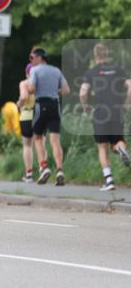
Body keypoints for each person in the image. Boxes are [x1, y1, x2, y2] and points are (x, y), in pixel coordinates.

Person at [79, 42, 131, 191]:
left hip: (100, 112)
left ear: (95, 56)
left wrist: (85, 106)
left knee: (102, 146)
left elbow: (83, 92)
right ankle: (121, 149)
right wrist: (127, 104)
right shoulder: (118, 70)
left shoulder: (91, 72)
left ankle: (109, 181)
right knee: (118, 141)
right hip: (117, 111)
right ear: (107, 55)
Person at [27, 47, 70, 186]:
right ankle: (60, 170)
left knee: (38, 137)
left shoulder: (35, 70)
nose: (31, 61)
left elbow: (31, 89)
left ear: (39, 58)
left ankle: (44, 167)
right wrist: (54, 91)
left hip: (41, 105)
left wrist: (31, 87)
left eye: (32, 58)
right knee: (55, 140)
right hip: (55, 105)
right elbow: (66, 90)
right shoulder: (56, 70)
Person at [17, 63, 36, 183]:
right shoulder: (41, 84)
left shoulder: (24, 83)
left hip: (27, 115)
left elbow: (23, 97)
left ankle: (29, 174)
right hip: (41, 115)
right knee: (40, 143)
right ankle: (43, 169)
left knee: (27, 145)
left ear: (27, 73)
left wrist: (18, 104)